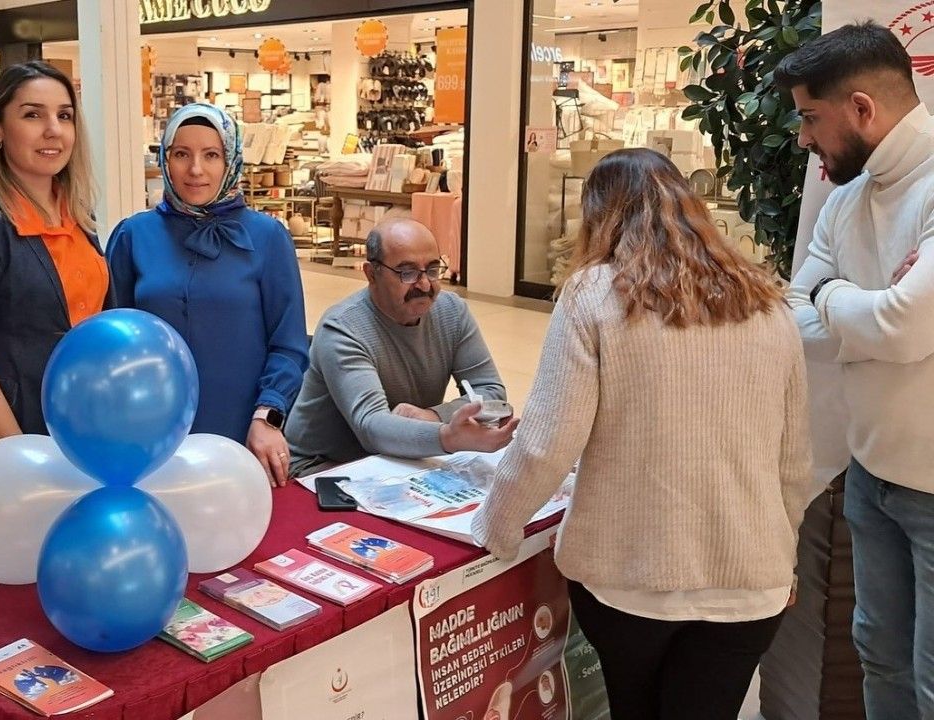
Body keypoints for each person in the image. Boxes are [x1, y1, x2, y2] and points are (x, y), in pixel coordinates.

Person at [472, 148, 812, 720]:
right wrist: (784, 556)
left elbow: (547, 442)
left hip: (630, 579)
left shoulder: (593, 295)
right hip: (750, 584)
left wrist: (496, 527)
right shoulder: (767, 305)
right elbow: (794, 462)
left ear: (598, 217)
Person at [778, 22, 934, 719]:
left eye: (812, 117)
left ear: (862, 108)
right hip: (871, 476)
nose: (804, 139)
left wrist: (835, 295)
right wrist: (872, 315)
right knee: (878, 655)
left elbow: (904, 327)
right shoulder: (845, 201)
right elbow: (792, 316)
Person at [107, 103, 309, 487]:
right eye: (181, 154)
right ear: (165, 159)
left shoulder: (267, 237)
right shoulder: (134, 235)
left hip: (239, 426)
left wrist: (268, 417)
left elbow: (289, 345)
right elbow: (113, 337)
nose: (195, 169)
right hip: (148, 428)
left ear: (230, 159)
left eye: (211, 155)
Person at [0, 61, 112, 476]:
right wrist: (24, 462)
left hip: (82, 433)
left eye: (64, 116)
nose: (53, 130)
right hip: (9, 447)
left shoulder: (79, 217)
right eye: (32, 115)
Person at [284, 218, 516, 476]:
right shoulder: (343, 328)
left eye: (432, 269)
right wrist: (448, 436)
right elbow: (372, 426)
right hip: (323, 467)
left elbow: (491, 391)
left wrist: (433, 416)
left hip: (398, 459)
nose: (425, 285)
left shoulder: (452, 311)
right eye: (407, 273)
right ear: (372, 274)